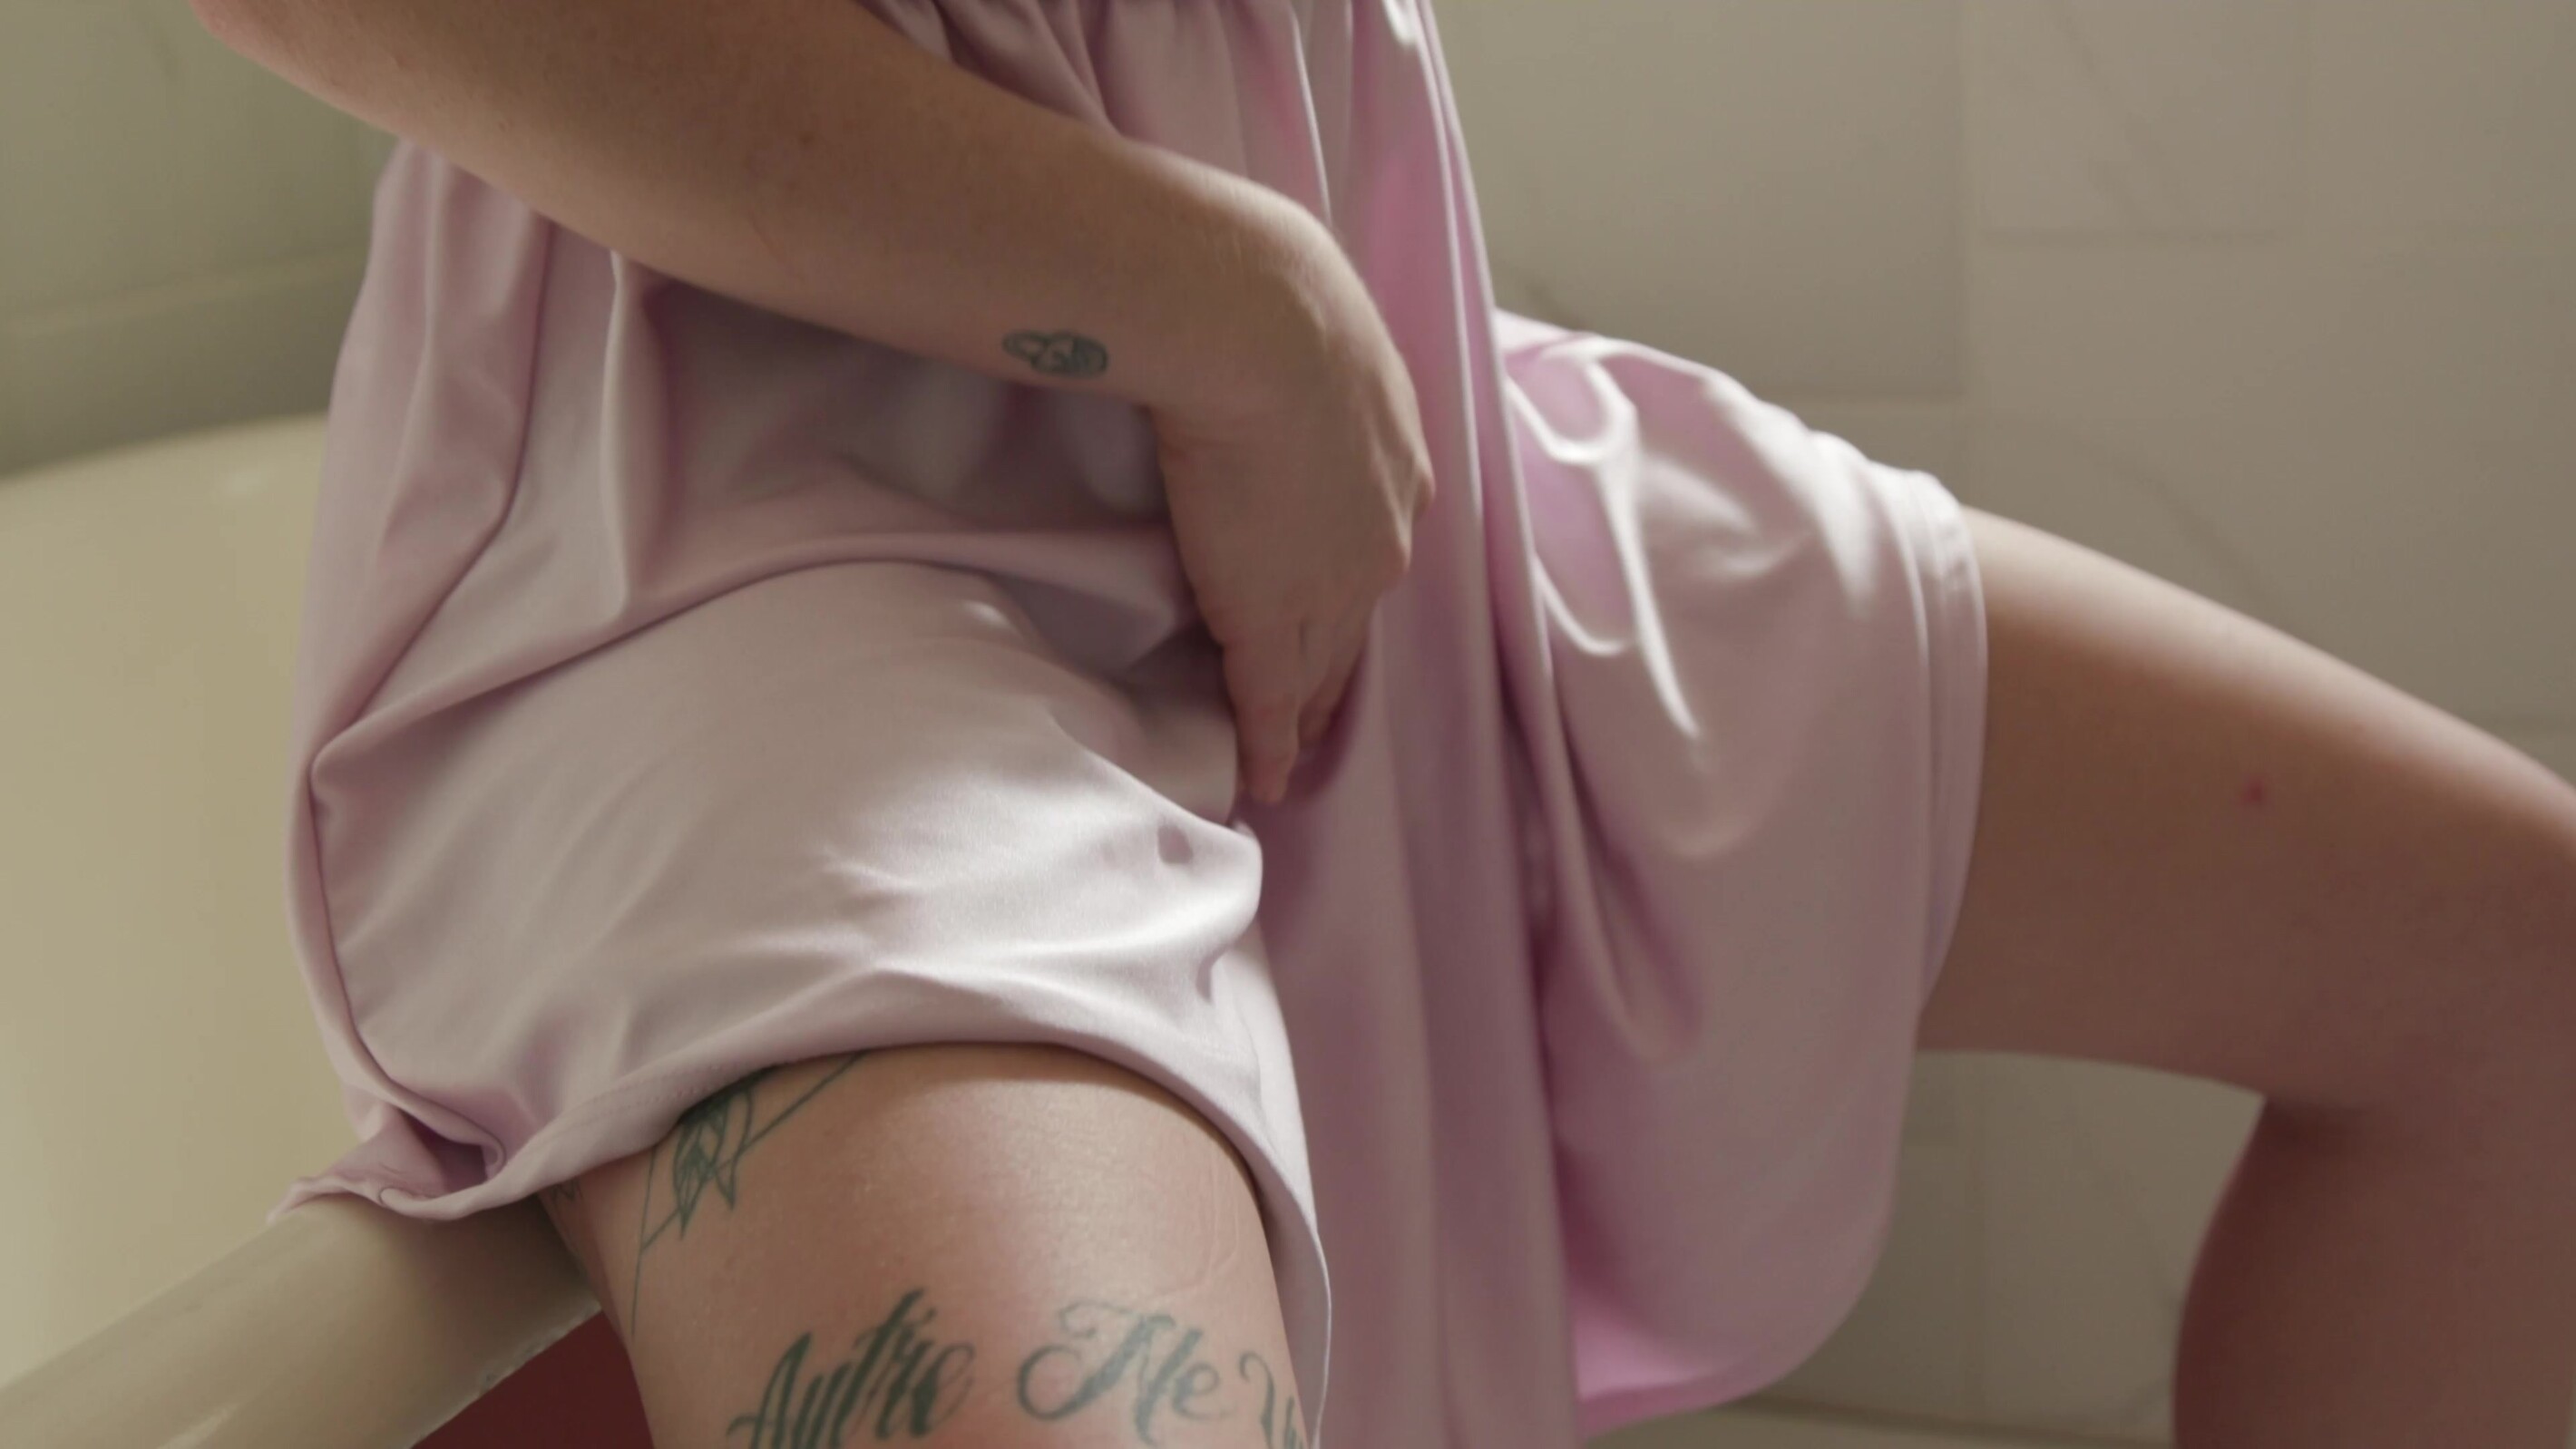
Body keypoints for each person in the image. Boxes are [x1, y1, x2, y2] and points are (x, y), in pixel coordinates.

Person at [193, 0, 2576, 1444]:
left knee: (2511, 985)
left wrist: (1286, 342)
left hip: (1360, 416)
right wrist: (1228, 318)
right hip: (772, 482)